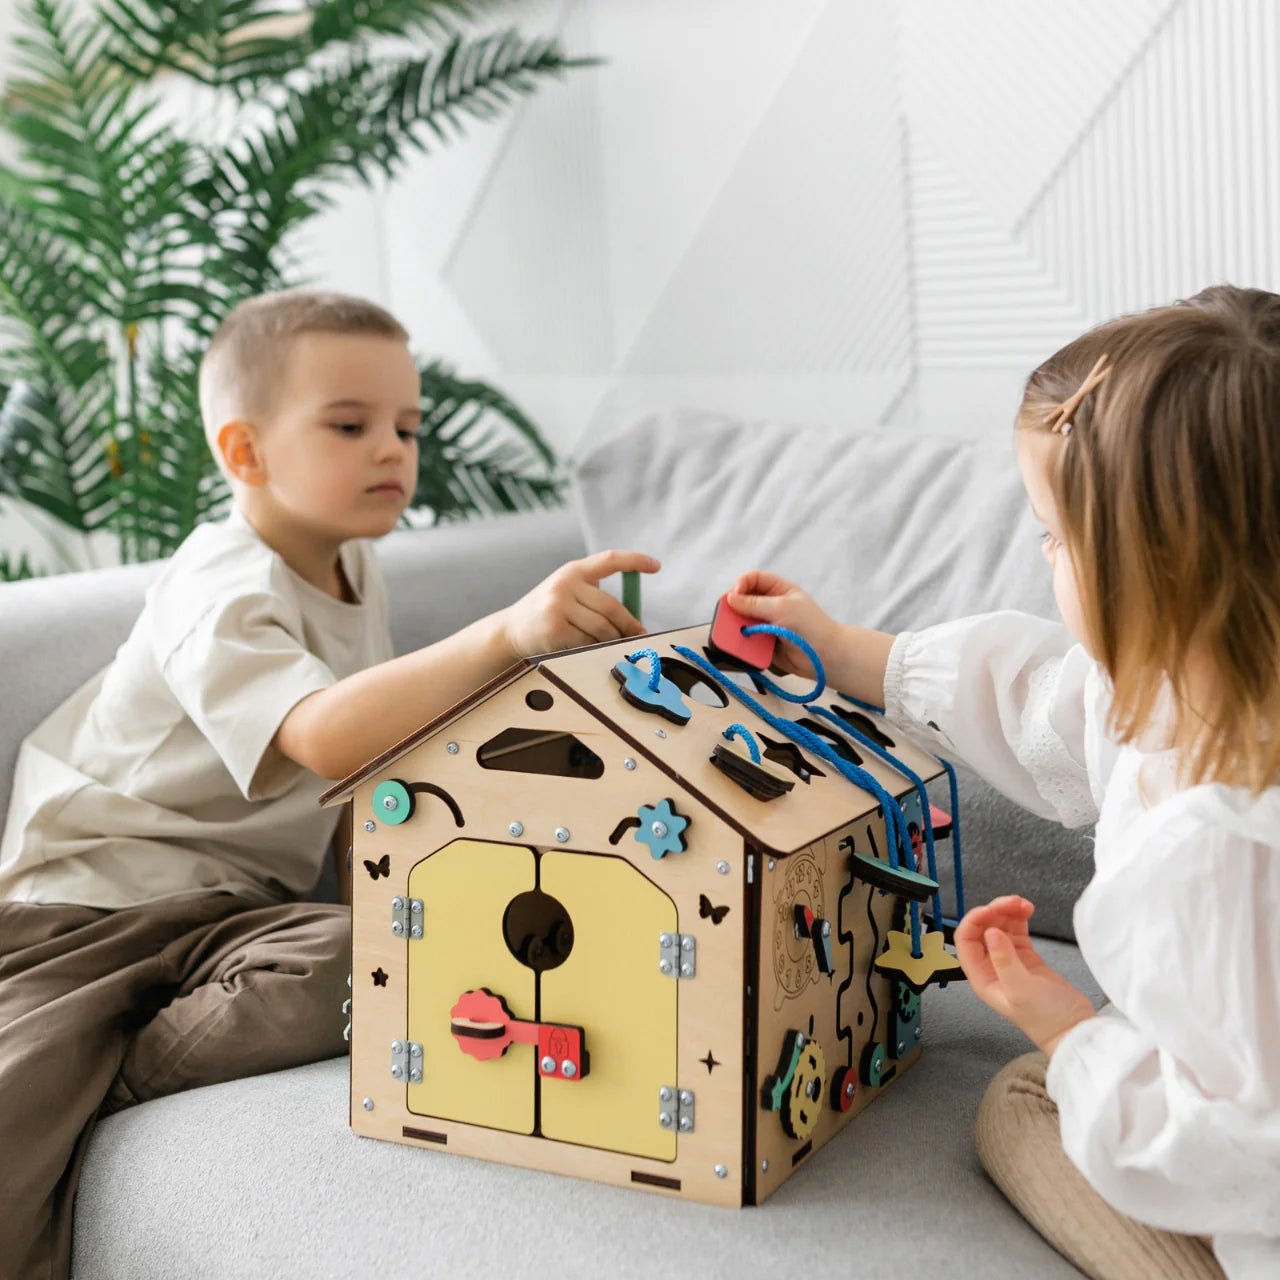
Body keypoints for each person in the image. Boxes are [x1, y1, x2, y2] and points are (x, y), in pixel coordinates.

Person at [0, 288, 656, 1280]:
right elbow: (322, 734)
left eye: (406, 425)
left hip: (231, 908)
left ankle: (127, 1048)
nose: (392, 449)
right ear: (244, 452)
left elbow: (377, 765)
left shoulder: (351, 563)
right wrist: (504, 634)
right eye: (350, 425)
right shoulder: (220, 582)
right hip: (93, 894)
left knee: (378, 956)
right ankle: (96, 1055)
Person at [723, 285, 1280, 1279]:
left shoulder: (1220, 851)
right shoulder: (1154, 696)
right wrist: (850, 652)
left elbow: (1239, 1149)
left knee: (1024, 1095)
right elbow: (1043, 708)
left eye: (1055, 536)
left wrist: (1059, 1022)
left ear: (1154, 568)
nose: (1041, 556)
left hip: (1246, 1179)